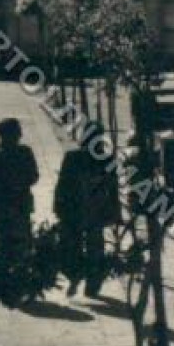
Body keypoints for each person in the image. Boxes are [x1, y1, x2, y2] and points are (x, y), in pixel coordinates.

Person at [54, 125, 120, 296]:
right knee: (95, 247)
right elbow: (113, 188)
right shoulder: (106, 159)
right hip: (94, 209)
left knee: (75, 245)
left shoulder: (73, 156)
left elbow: (62, 184)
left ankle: (77, 276)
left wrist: (58, 206)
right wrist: (115, 211)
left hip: (76, 209)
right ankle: (91, 283)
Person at [0, 118, 39, 269]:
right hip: (16, 207)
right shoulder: (23, 152)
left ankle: (6, 277)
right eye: (17, 131)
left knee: (4, 245)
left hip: (3, 209)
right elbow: (34, 176)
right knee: (17, 246)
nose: (20, 134)